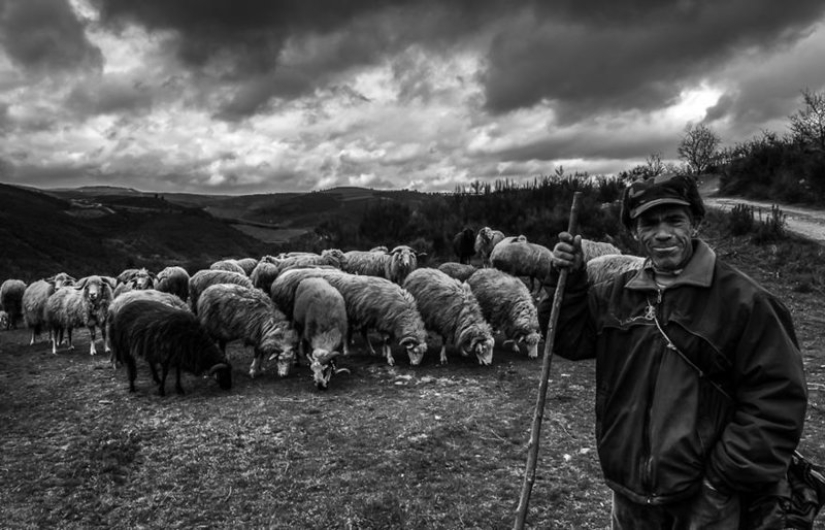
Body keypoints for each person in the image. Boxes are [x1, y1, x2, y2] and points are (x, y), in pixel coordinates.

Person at [538, 173, 808, 529]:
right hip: (630, 494)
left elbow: (777, 401)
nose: (662, 233)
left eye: (674, 219)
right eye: (649, 222)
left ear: (695, 222)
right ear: (635, 232)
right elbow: (570, 339)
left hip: (706, 499)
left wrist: (720, 480)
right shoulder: (619, 293)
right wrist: (570, 282)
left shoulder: (744, 302)